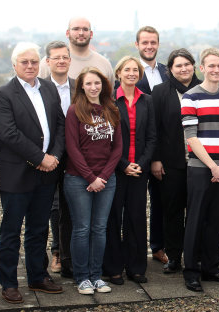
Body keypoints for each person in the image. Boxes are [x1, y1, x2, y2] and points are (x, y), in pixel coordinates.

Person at [0, 42, 65, 303]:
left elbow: (59, 124)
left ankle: (37, 276)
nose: (30, 66)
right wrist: (40, 158)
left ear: (40, 63)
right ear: (14, 65)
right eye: (24, 62)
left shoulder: (48, 88)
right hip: (17, 175)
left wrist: (54, 157)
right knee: (11, 231)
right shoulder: (2, 94)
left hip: (47, 174)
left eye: (34, 61)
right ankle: (9, 283)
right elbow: (9, 134)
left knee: (38, 229)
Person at [181, 48, 219, 292]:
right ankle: (192, 271)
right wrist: (213, 166)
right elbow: (191, 138)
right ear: (201, 68)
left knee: (217, 220)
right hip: (200, 167)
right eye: (211, 66)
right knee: (196, 219)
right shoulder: (191, 97)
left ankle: (212, 267)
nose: (216, 70)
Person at [63, 67, 122, 295]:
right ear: (81, 87)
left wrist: (103, 177)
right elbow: (72, 148)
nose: (93, 87)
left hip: (106, 180)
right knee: (82, 229)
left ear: (104, 85)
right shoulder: (74, 111)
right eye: (88, 84)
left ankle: (96, 276)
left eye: (97, 83)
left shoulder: (111, 110)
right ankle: (82, 278)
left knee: (99, 228)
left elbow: (117, 148)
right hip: (79, 180)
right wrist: (90, 177)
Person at [103, 56, 157, 285]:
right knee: (113, 217)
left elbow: (153, 137)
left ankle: (136, 267)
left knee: (136, 218)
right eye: (127, 70)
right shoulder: (109, 101)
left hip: (139, 169)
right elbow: (105, 140)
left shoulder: (147, 101)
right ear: (118, 74)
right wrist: (123, 165)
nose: (132, 73)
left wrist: (141, 164)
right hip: (115, 169)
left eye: (136, 70)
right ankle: (114, 267)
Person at [151, 48, 202, 274]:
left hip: (201, 163)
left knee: (197, 211)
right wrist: (155, 159)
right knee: (172, 212)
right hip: (171, 163)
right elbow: (154, 129)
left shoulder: (204, 90)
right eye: (178, 65)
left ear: (194, 65)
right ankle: (174, 256)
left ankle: (196, 255)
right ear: (170, 69)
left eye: (187, 64)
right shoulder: (160, 92)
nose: (183, 69)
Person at [130, 26, 170, 266]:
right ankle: (133, 253)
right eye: (144, 42)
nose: (149, 46)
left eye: (153, 42)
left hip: (164, 148)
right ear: (137, 45)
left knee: (161, 201)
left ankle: (158, 246)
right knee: (134, 205)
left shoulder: (168, 71)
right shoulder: (130, 71)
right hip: (137, 149)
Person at [44, 40, 76, 278]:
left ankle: (70, 254)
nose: (61, 61)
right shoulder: (40, 88)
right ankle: (56, 251)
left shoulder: (80, 87)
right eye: (56, 58)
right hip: (48, 156)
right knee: (51, 207)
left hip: (76, 157)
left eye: (65, 57)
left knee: (71, 206)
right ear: (48, 62)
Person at [39, 17, 115, 84]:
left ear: (91, 34)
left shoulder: (104, 64)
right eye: (76, 29)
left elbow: (109, 97)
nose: (81, 33)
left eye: (85, 29)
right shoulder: (49, 62)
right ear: (67, 33)